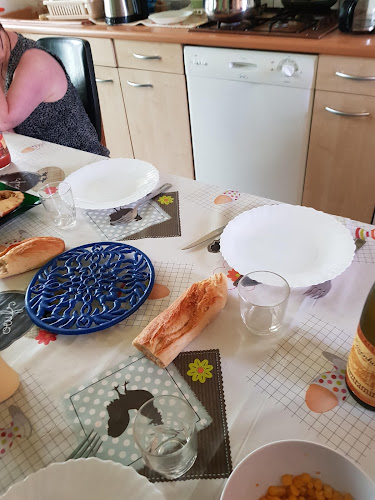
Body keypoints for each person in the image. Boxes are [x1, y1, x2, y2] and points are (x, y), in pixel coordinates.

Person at [0, 25, 109, 157]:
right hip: (36, 160)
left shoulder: (35, 62)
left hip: (79, 163)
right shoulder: (5, 56)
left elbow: (4, 122)